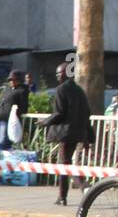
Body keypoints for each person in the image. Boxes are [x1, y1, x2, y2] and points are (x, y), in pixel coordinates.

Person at [39, 61, 94, 206]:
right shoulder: (79, 90)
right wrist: (88, 137)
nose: (57, 77)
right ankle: (67, 194)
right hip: (78, 132)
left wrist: (45, 122)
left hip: (66, 133)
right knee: (66, 162)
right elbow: (87, 113)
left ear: (65, 74)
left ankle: (76, 189)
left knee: (64, 164)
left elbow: (59, 113)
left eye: (59, 74)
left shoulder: (61, 89)